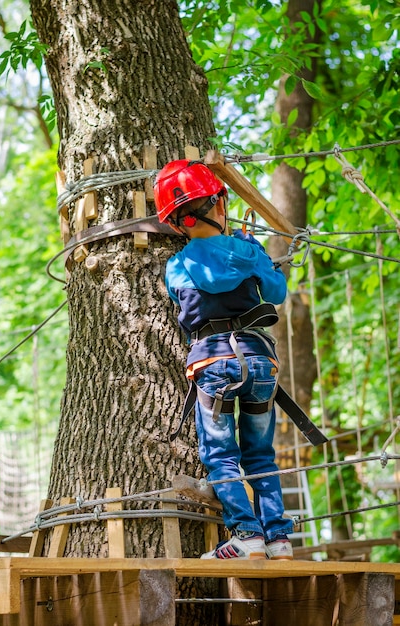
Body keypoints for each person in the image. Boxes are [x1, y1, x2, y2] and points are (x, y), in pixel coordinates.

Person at [154, 159, 293, 560]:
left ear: (178, 223)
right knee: (260, 453)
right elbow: (277, 293)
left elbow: (184, 305)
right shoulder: (249, 250)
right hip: (260, 362)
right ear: (220, 203)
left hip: (213, 362)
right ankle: (278, 538)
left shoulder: (177, 265)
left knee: (220, 454)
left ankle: (246, 534)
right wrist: (251, 255)